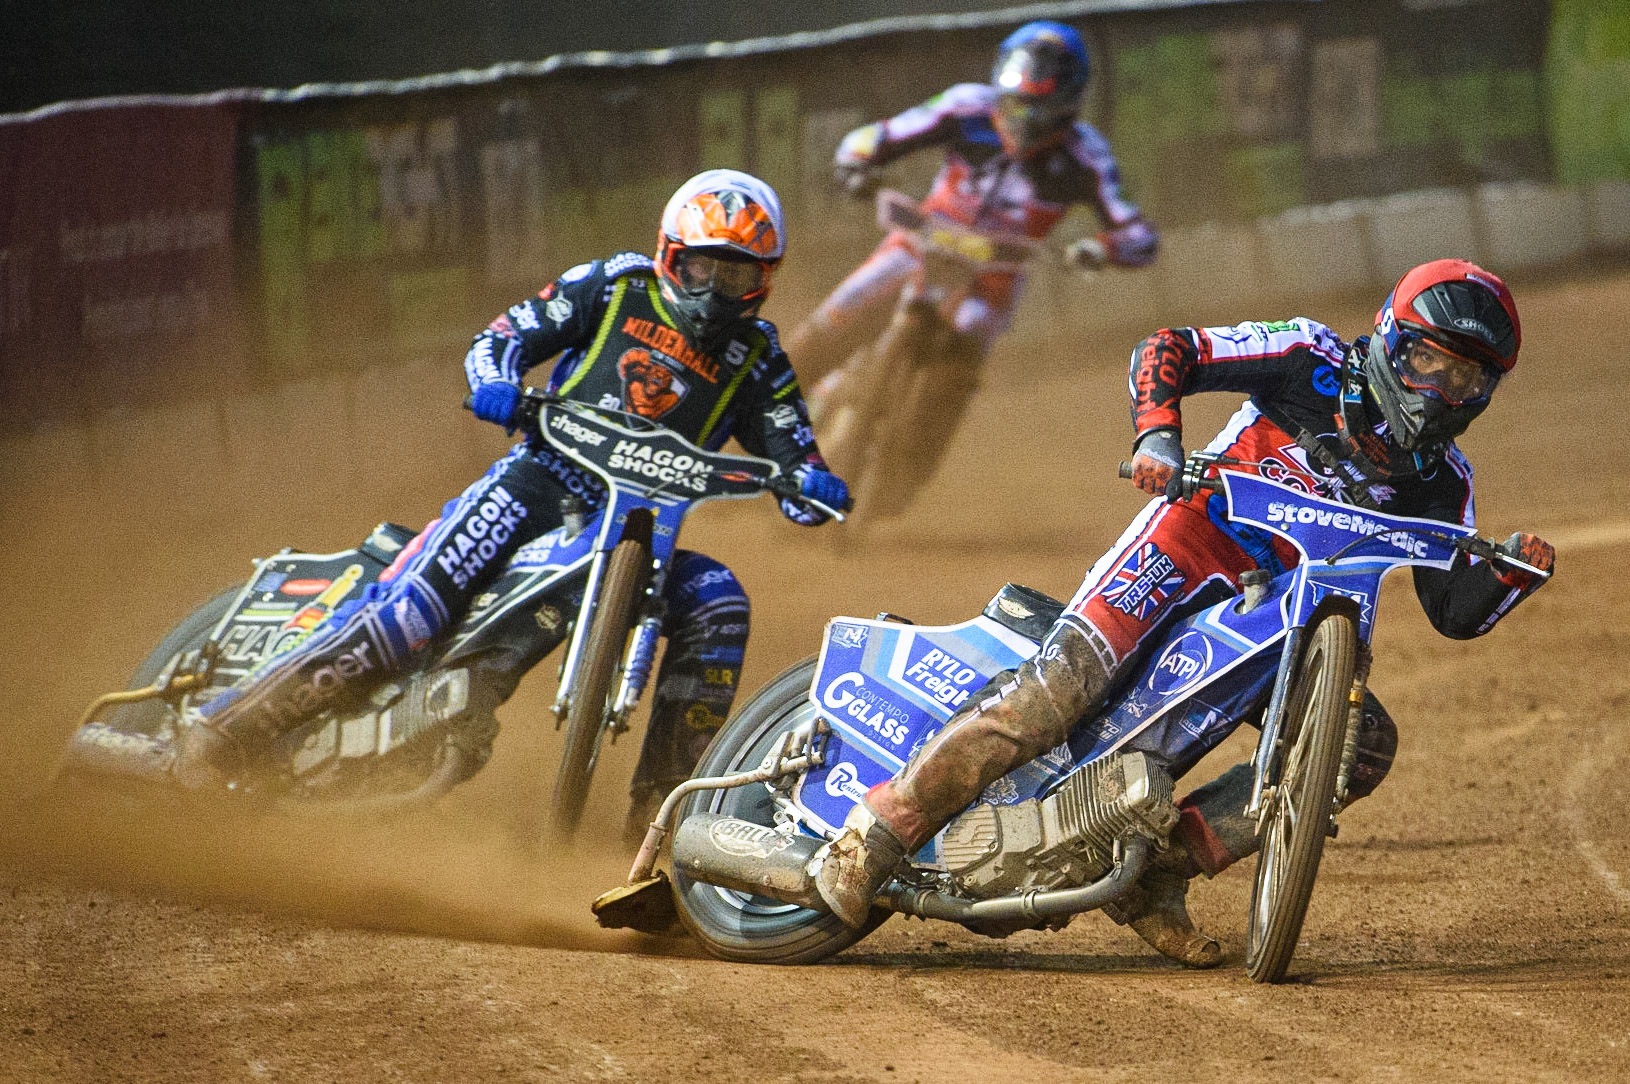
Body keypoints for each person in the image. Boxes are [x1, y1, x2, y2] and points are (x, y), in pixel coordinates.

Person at [811, 258, 1557, 965]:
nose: (1441, 391)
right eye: (1429, 363)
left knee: (1360, 748)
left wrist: (1511, 576)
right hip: (1186, 544)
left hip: (1284, 625)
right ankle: (880, 831)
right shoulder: (1310, 357)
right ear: (1391, 340)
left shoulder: (1443, 484)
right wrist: (1157, 435)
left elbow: (1453, 611)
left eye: (1467, 377)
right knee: (1058, 693)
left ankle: (1157, 872)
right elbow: (1170, 348)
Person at [174, 170, 851, 829]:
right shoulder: (616, 286)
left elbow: (797, 459)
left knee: (720, 601)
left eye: (734, 276)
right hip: (539, 482)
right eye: (701, 268)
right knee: (411, 612)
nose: (712, 291)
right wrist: (496, 382)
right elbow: (503, 336)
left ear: (763, 279)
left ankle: (667, 823)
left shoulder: (759, 359)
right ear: (670, 255)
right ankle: (227, 726)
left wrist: (812, 488)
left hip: (648, 531)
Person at [785, 19, 1158, 390]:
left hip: (996, 271)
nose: (1023, 123)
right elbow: (882, 134)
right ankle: (768, 396)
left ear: (1070, 104)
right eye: (1015, 106)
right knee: (845, 305)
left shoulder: (1087, 155)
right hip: (924, 237)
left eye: (1040, 111)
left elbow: (1138, 234)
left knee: (966, 348)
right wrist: (856, 163)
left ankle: (918, 442)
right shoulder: (965, 106)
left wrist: (1101, 248)